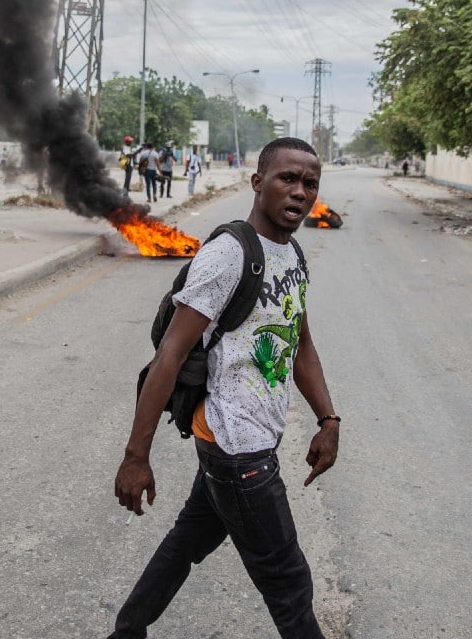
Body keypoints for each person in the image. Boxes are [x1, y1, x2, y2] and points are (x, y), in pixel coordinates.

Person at [109, 137, 339, 639]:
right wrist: (135, 456)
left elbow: (301, 344)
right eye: (287, 178)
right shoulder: (228, 255)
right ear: (258, 182)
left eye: (310, 183)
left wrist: (328, 419)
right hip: (239, 452)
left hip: (233, 446)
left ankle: (125, 633)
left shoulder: (292, 254)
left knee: (184, 546)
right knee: (289, 584)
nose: (299, 192)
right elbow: (169, 356)